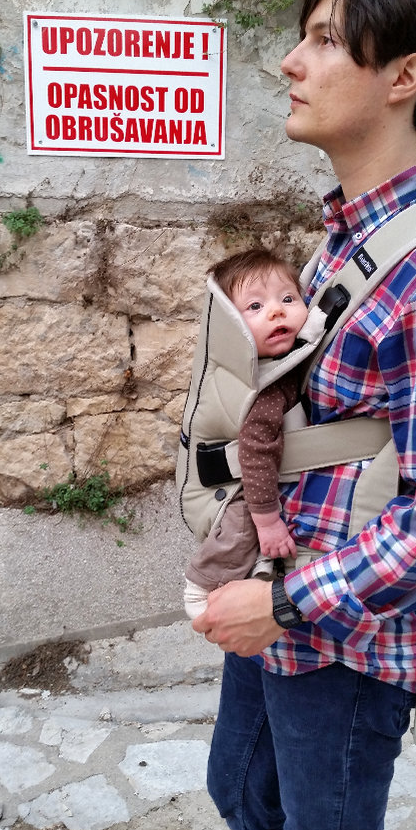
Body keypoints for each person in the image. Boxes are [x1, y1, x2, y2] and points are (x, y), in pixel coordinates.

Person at [192, 0, 416, 830]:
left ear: (405, 76)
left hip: (340, 634)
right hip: (279, 593)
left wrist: (283, 602)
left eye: (324, 40)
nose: (290, 62)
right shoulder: (347, 239)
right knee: (243, 797)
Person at [184, 248, 311, 618]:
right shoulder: (266, 388)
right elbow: (256, 452)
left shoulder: (275, 364)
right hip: (246, 486)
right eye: (255, 307)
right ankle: (200, 586)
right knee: (242, 529)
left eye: (288, 299)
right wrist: (268, 520)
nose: (276, 311)